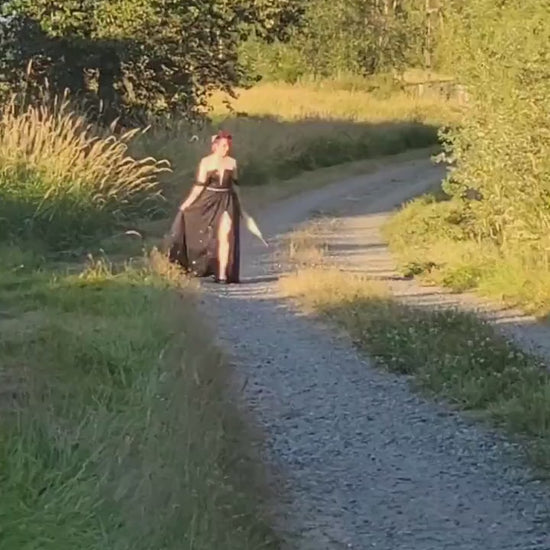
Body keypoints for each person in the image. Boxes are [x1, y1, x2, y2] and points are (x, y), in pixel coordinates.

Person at [168, 130, 241, 284]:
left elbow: (235, 185)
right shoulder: (206, 162)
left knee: (225, 235)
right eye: (223, 145)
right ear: (215, 146)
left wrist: (240, 205)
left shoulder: (232, 162)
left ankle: (222, 274)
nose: (226, 148)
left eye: (228, 146)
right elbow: (199, 186)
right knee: (208, 235)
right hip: (209, 199)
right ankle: (203, 264)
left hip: (227, 199)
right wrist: (187, 203)